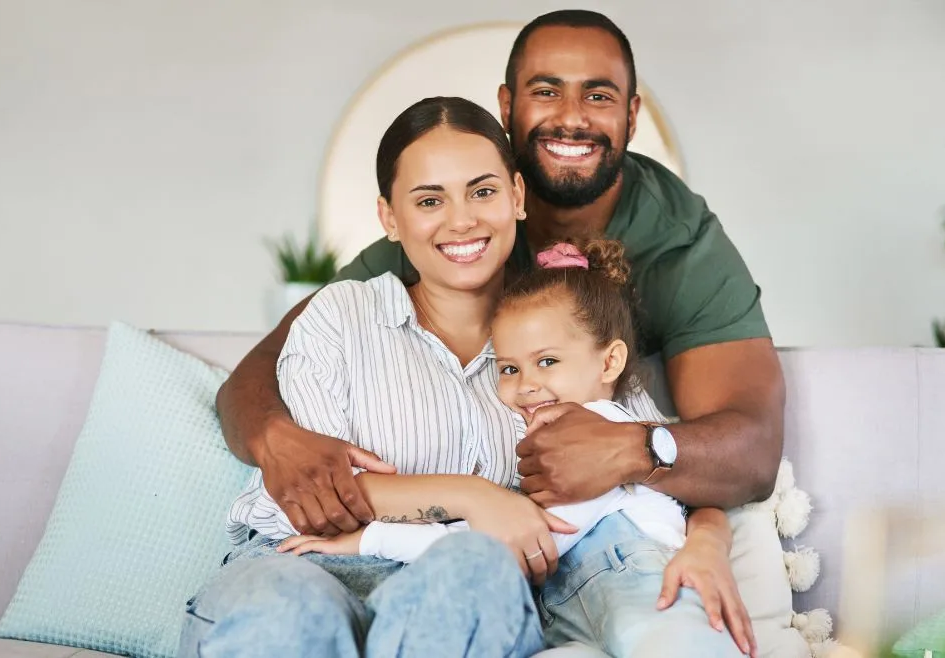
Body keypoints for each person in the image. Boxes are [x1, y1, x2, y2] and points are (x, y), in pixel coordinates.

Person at [214, 10, 784, 553]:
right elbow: (265, 367)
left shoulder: (680, 241)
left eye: (598, 95)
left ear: (632, 116)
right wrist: (275, 438)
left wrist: (637, 450)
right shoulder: (456, 225)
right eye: (545, 91)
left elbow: (752, 453)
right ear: (507, 105)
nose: (572, 116)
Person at [179, 96, 559, 657]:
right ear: (389, 218)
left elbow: (623, 457)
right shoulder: (340, 314)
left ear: (518, 197)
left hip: (453, 596)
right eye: (430, 200)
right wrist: (476, 497)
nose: (463, 219)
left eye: (483, 191)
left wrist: (704, 535)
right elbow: (317, 499)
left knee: (475, 566)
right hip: (301, 564)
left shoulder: (562, 333)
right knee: (288, 610)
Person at [279, 237, 755, 657]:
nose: (526, 386)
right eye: (508, 369)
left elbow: (506, 543)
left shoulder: (602, 430)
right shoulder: (564, 435)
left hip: (641, 586)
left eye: (547, 361)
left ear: (609, 362)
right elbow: (693, 504)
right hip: (576, 611)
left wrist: (364, 540)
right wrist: (706, 538)